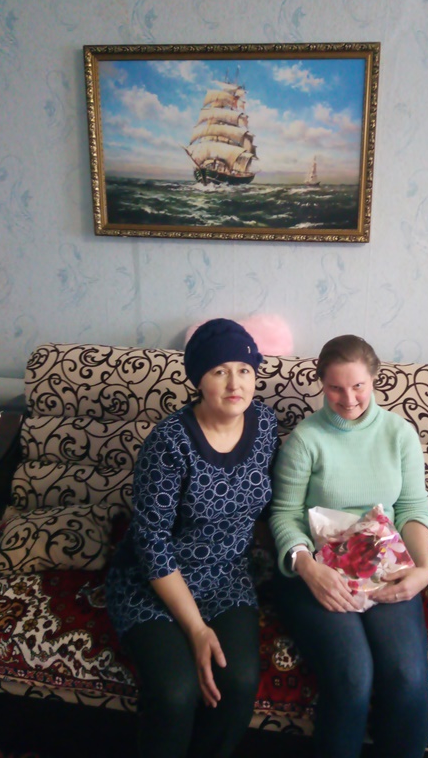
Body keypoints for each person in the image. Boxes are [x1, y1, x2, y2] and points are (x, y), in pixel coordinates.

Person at [105, 319, 279, 758]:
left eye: (244, 369)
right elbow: (151, 544)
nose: (235, 383)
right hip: (155, 583)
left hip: (227, 578)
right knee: (175, 692)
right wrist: (197, 629)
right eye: (220, 371)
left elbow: (269, 508)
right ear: (199, 379)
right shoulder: (170, 442)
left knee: (238, 681)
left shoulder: (265, 425)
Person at [269, 335, 428, 758]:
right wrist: (308, 567)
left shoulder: (399, 434)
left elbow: (412, 508)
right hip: (318, 570)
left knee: (406, 676)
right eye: (335, 388)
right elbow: (284, 514)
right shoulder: (306, 440)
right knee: (352, 676)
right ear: (321, 385)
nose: (349, 399)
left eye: (358, 386)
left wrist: (423, 569)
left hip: (383, 565)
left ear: (374, 378)